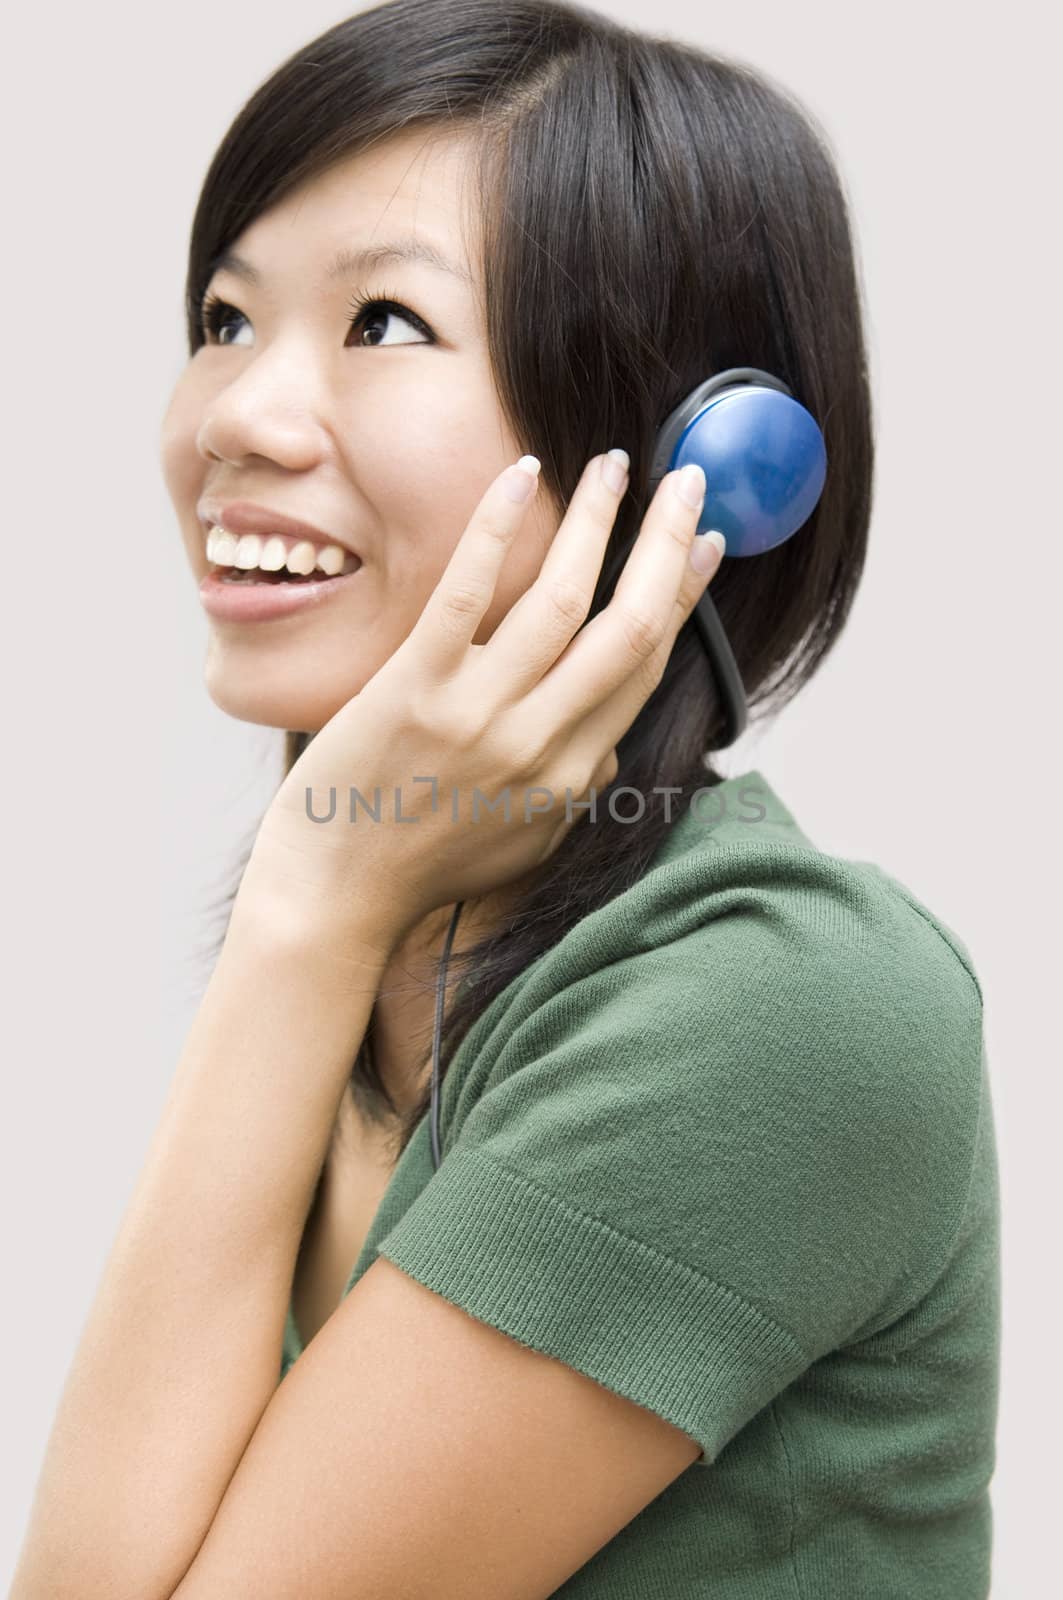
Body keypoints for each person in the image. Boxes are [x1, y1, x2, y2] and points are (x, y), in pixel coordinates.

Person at [12, 1, 999, 1596]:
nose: (234, 421)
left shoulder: (782, 1004)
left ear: (712, 459)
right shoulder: (380, 961)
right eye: (224, 317)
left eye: (384, 323)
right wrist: (320, 918)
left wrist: (306, 903)